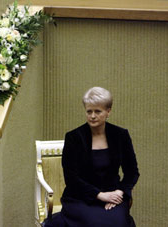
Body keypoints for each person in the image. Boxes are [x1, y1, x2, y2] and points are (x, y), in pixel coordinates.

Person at [47, 87, 140, 227]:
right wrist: (99, 195)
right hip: (80, 198)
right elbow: (71, 177)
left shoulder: (121, 135)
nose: (92, 116)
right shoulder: (73, 137)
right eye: (89, 111)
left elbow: (132, 172)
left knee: (117, 222)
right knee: (94, 223)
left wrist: (119, 193)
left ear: (108, 111)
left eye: (98, 111)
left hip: (113, 196)